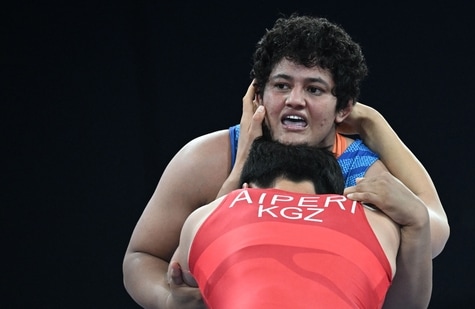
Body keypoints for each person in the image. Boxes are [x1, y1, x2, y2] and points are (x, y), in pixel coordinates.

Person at [123, 14, 448, 309]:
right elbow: (142, 257)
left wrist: (373, 123)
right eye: (281, 85)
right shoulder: (207, 158)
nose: (295, 100)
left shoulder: (359, 168)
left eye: (314, 89)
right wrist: (170, 301)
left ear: (344, 108)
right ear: (257, 95)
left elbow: (430, 236)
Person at [171, 135, 430, 308]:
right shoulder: (377, 223)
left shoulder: (204, 218)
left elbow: (181, 289)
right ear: (337, 197)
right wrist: (418, 220)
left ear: (248, 188)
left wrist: (230, 191)